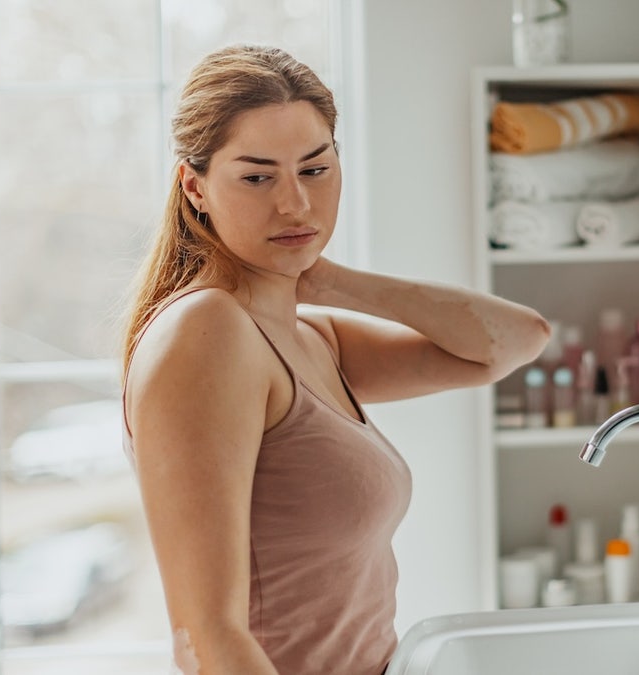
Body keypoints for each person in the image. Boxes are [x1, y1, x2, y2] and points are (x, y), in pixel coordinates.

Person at [120, 44, 551, 675]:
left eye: (315, 170)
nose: (294, 204)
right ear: (195, 187)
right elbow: (206, 640)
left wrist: (328, 280)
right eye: (257, 176)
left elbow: (516, 341)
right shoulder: (205, 334)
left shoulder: (308, 336)